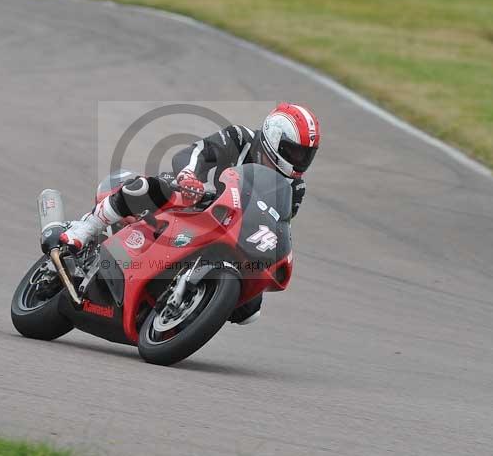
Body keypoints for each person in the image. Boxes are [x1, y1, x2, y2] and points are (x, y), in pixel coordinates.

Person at [59, 102, 321, 324]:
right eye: (294, 151)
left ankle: (189, 304)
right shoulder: (241, 139)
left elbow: (277, 224)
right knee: (150, 188)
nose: (299, 160)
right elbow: (197, 152)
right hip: (194, 199)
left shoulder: (295, 187)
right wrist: (189, 176)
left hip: (231, 231)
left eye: (306, 154)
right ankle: (87, 227)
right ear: (274, 138)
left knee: (250, 308)